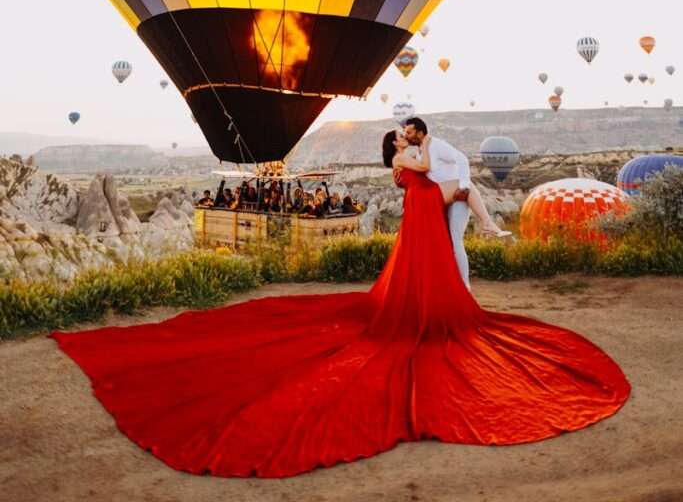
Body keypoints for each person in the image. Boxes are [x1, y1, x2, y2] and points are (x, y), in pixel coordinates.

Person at [52, 137, 630, 479]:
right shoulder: (412, 163)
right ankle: (458, 269)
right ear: (396, 150)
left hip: (427, 221)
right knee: (415, 293)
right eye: (402, 137)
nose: (407, 137)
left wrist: (458, 188)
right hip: (425, 218)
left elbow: (442, 180)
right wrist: (428, 148)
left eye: (408, 135)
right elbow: (431, 168)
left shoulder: (408, 170)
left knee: (430, 267)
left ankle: (476, 242)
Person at [402, 118, 511, 290]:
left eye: (409, 132)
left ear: (420, 132)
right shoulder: (422, 151)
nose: (405, 135)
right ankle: (450, 282)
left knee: (455, 240)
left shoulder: (436, 145)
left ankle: (464, 284)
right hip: (442, 200)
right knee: (446, 243)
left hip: (457, 197)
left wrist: (464, 186)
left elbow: (461, 158)